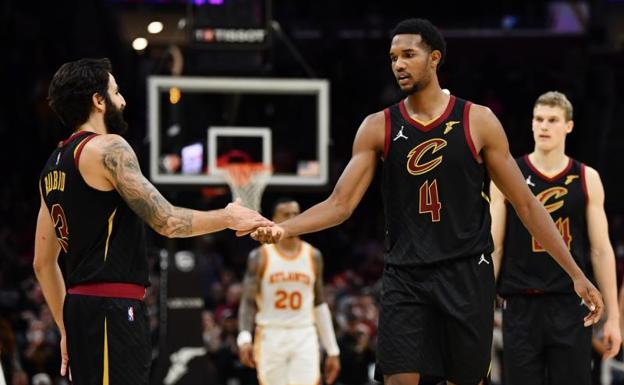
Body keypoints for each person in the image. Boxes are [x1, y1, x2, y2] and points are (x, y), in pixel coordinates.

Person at [247, 19, 604, 385]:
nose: (398, 64)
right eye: (392, 57)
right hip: (406, 276)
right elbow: (340, 203)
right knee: (398, 380)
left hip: (467, 274)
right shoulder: (377, 127)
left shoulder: (477, 121)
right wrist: (283, 227)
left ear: (434, 58)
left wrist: (575, 274)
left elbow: (526, 205)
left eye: (408, 54)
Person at [33, 58, 272, 385]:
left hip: (79, 308)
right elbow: (166, 220)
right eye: (115, 93)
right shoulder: (109, 148)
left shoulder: (52, 165)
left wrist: (65, 328)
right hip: (112, 309)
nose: (123, 101)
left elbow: (42, 263)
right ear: (98, 101)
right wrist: (228, 216)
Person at [490, 91, 621, 385]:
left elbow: (601, 250)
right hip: (520, 303)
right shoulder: (509, 173)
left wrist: (613, 318)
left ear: (569, 126)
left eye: (552, 120)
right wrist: (482, 303)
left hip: (571, 305)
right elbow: (494, 245)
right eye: (538, 119)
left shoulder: (587, 177)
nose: (544, 126)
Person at [237, 198, 341, 385]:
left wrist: (332, 349)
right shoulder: (260, 256)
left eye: (296, 214)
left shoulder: (313, 255)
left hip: (304, 334)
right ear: (274, 219)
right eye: (286, 214)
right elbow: (247, 300)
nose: (292, 218)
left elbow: (319, 303)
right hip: (270, 334)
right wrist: (244, 336)